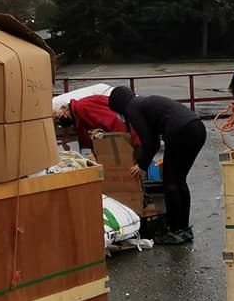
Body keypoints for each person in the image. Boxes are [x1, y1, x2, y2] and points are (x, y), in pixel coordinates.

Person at [106, 86, 206, 244]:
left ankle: (174, 231)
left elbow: (150, 142)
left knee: (170, 183)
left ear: (119, 105)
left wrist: (142, 165)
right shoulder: (141, 103)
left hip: (180, 132)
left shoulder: (132, 108)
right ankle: (184, 229)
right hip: (197, 128)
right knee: (179, 181)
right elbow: (152, 140)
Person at [54, 93, 140, 150]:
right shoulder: (77, 116)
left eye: (58, 116)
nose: (59, 121)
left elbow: (113, 120)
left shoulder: (82, 107)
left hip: (130, 135)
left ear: (64, 108)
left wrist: (122, 144)